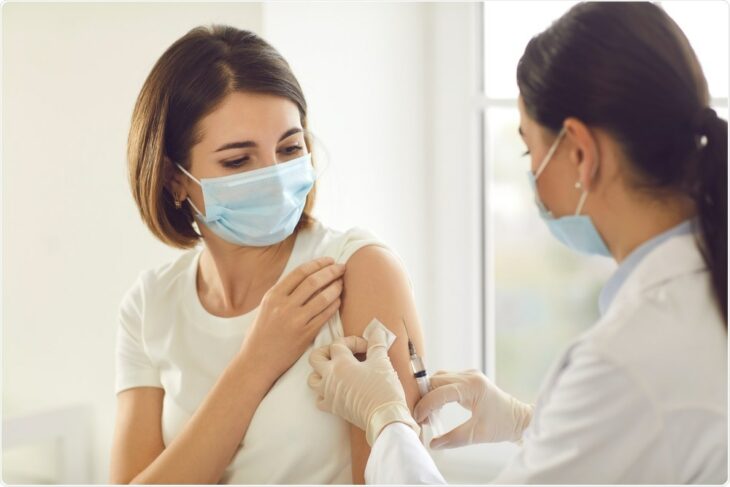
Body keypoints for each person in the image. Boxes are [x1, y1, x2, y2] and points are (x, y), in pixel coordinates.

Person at [308, 3, 728, 484]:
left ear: (579, 152)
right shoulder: (700, 291)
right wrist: (530, 423)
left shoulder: (628, 357)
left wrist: (385, 420)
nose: (531, 173)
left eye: (530, 148)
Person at [109, 25, 426, 484]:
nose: (276, 177)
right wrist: (255, 362)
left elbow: (390, 474)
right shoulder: (150, 305)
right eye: (238, 161)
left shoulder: (358, 271)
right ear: (173, 178)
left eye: (290, 148)